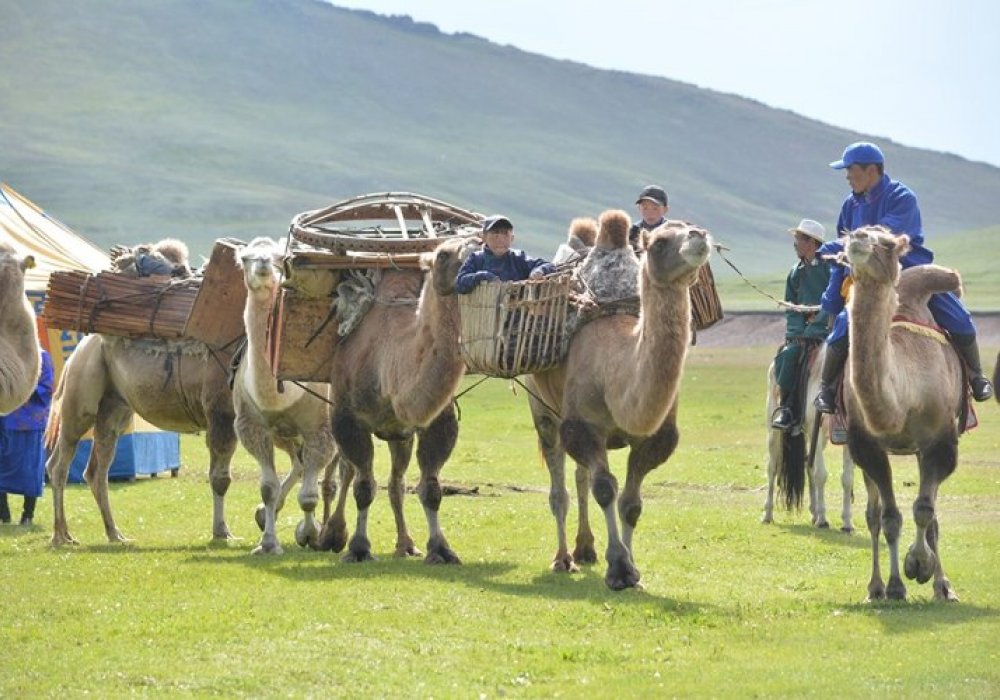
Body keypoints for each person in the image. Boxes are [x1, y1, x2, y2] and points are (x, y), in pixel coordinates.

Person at [813, 142, 994, 413]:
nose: (847, 176)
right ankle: (827, 390)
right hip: (867, 279)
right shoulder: (850, 204)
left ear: (871, 170)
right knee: (841, 327)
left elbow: (884, 238)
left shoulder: (901, 196)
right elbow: (846, 253)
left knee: (958, 317)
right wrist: (830, 299)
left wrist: (831, 247)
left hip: (908, 270)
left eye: (850, 169)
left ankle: (976, 376)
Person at [770, 219, 831, 430]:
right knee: (788, 355)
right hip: (802, 333)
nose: (795, 244)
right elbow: (791, 305)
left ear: (812, 243)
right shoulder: (794, 271)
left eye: (799, 239)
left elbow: (834, 301)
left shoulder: (830, 269)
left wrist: (817, 326)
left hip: (828, 329)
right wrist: (797, 331)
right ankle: (787, 409)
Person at [0, 347, 54, 526]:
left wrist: (17, 388)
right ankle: (3, 515)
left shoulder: (41, 356)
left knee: (30, 469)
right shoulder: (4, 353)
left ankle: (28, 515)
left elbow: (45, 388)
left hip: (29, 421)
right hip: (3, 417)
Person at [455, 215, 556, 293]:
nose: (500, 239)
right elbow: (460, 284)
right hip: (483, 316)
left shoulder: (518, 258)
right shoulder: (476, 259)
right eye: (495, 234)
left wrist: (539, 271)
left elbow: (548, 265)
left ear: (512, 238)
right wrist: (483, 276)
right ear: (484, 237)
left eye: (505, 234)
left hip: (515, 316)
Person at [628, 185, 669, 251]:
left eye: (655, 208)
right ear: (639, 208)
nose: (649, 213)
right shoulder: (632, 233)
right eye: (645, 208)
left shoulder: (672, 232)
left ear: (665, 209)